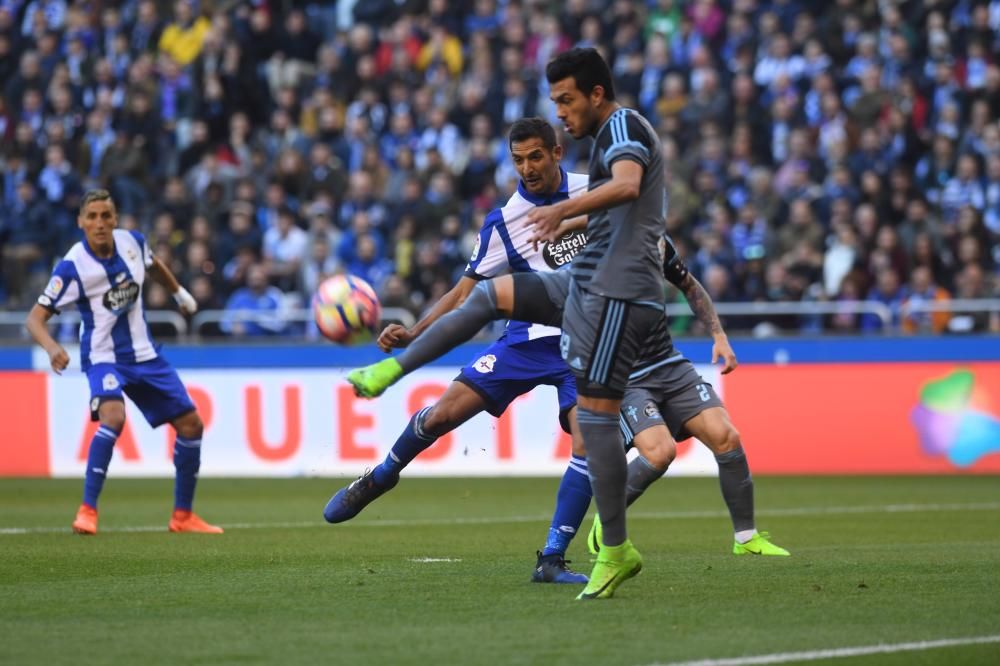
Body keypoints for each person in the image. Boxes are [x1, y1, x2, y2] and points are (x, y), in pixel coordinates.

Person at [324, 117, 594, 584]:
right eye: (518, 160)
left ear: (557, 153)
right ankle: (381, 475)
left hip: (586, 343)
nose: (527, 168)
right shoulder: (504, 222)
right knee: (443, 415)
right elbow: (464, 294)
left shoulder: (594, 191)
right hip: (525, 341)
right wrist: (415, 331)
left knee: (587, 442)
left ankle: (551, 558)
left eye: (535, 157)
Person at [24, 189, 222, 536]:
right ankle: (87, 511)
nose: (99, 223)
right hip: (104, 358)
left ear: (115, 220)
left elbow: (154, 265)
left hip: (145, 354)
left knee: (192, 425)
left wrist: (180, 293)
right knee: (113, 417)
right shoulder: (72, 267)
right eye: (92, 217)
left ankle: (183, 517)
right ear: (80, 222)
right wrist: (53, 347)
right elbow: (34, 319)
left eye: (106, 216)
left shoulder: (133, 242)